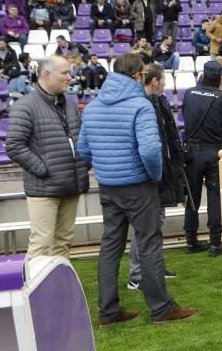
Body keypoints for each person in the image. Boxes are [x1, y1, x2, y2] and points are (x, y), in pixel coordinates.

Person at [78, 53, 195, 326]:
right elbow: (151, 151)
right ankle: (161, 307)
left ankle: (108, 311)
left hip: (108, 187)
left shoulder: (93, 107)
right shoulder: (140, 106)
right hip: (138, 187)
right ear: (138, 76)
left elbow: (83, 151)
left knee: (110, 247)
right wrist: (154, 176)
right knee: (149, 244)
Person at [6, 55, 90, 258]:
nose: (70, 77)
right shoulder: (25, 105)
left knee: (63, 241)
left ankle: (58, 288)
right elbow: (14, 146)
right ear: (46, 74)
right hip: (44, 189)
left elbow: (80, 137)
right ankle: (33, 289)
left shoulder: (69, 104)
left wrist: (83, 163)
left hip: (72, 185)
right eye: (65, 73)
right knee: (41, 244)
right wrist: (44, 170)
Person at [128, 62, 184, 289]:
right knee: (144, 227)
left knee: (155, 224)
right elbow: (149, 147)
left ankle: (155, 268)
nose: (166, 84)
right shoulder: (142, 106)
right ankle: (137, 275)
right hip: (149, 176)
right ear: (154, 81)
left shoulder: (159, 102)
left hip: (162, 173)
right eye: (163, 80)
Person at [181, 60, 222, 256]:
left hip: (193, 152)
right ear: (220, 78)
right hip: (214, 153)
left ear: (203, 75)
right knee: (215, 197)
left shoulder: (189, 93)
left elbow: (185, 118)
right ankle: (215, 244)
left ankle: (190, 240)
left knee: (192, 198)